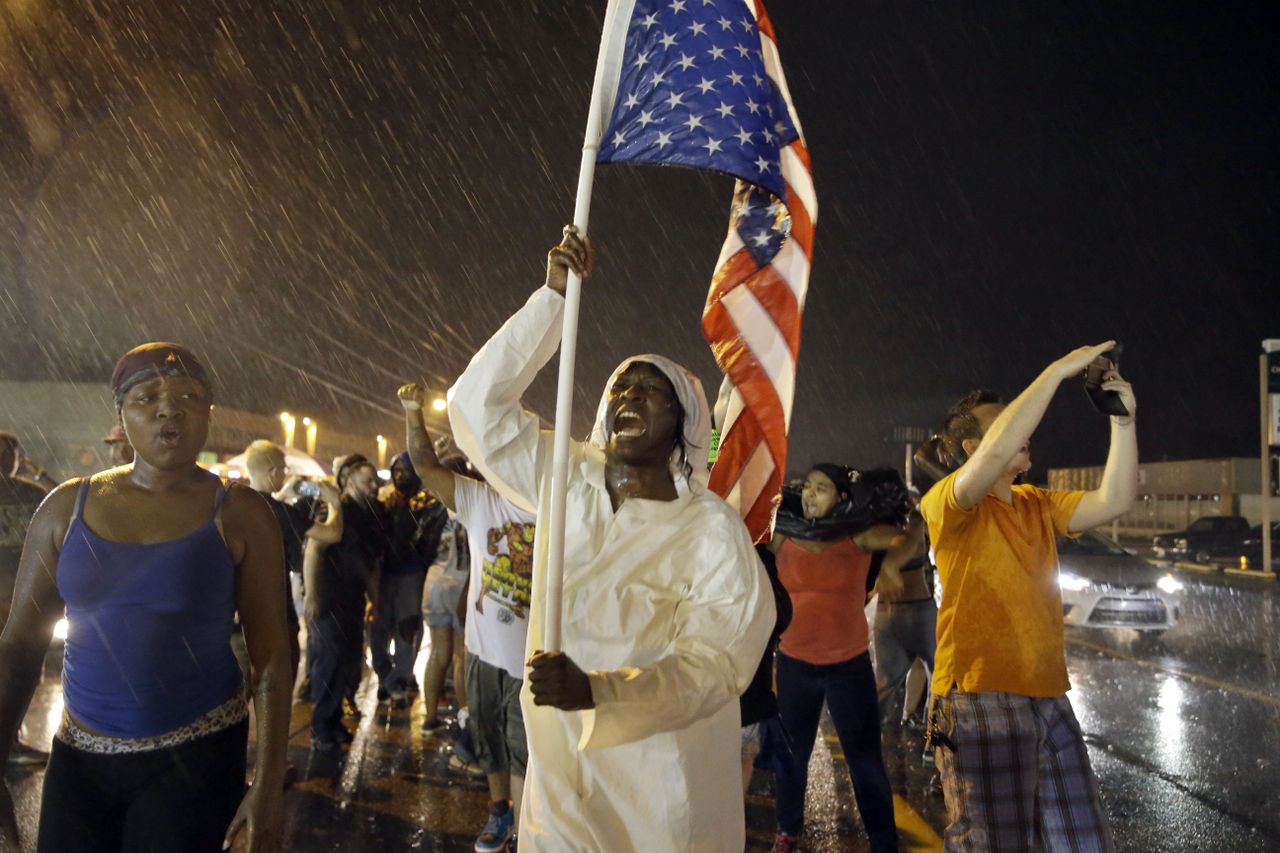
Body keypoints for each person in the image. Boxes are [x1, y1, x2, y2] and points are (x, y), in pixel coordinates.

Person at [447, 227, 775, 852]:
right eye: (622, 386)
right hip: (562, 785)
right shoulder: (564, 480)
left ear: (685, 422)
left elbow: (716, 663)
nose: (630, 395)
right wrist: (551, 301)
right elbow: (475, 411)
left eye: (651, 390)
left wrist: (602, 692)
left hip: (661, 789)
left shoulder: (708, 529)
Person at [0, 342, 290, 853]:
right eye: (147, 396)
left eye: (188, 396)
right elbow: (20, 648)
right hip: (79, 760)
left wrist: (267, 787)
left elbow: (271, 657)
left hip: (195, 758)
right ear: (120, 415)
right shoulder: (66, 507)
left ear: (208, 414)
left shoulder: (242, 512)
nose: (168, 407)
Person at [922, 343, 1136, 852]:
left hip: (1048, 695)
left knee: (1084, 843)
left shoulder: (1036, 503)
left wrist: (1123, 424)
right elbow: (998, 450)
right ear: (973, 448)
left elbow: (1115, 499)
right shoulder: (952, 502)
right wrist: (1057, 373)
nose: (1025, 430)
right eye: (1006, 424)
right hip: (978, 697)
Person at [399, 383, 537, 853]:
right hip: (482, 654)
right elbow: (425, 467)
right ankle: (500, 814)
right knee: (489, 740)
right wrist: (413, 412)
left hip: (531, 660)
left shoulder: (559, 510)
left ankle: (523, 834)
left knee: (524, 751)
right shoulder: (481, 501)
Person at [768, 464, 921, 853]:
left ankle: (883, 843)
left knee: (865, 762)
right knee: (792, 758)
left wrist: (889, 563)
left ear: (841, 498)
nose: (810, 494)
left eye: (822, 488)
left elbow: (913, 531)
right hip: (793, 665)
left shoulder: (858, 533)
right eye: (807, 487)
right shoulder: (780, 532)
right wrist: (719, 432)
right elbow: (730, 506)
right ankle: (787, 831)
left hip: (848, 668)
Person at [242, 439, 343, 681]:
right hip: (275, 615)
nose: (285, 474)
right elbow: (331, 533)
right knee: (275, 693)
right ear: (274, 471)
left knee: (238, 698)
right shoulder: (279, 511)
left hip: (240, 615)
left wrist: (282, 494)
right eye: (284, 469)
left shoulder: (234, 504)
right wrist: (335, 503)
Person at [305, 452, 386, 750]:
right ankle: (320, 728)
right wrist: (311, 594)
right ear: (350, 481)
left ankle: (333, 720)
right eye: (368, 482)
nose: (374, 487)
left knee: (347, 660)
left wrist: (374, 601)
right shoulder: (338, 508)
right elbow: (315, 549)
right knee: (329, 661)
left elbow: (372, 564)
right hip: (329, 597)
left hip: (352, 599)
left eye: (375, 482)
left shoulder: (373, 513)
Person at [370, 452, 447, 707]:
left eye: (406, 470)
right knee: (378, 630)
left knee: (407, 629)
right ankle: (386, 678)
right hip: (383, 575)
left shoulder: (428, 504)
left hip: (410, 574)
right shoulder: (384, 500)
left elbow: (426, 541)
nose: (401, 476)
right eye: (397, 471)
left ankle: (400, 680)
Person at [0, 432, 52, 768]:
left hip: (24, 597)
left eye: (8, 454)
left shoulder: (32, 495)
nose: (4, 460)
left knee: (25, 670)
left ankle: (11, 739)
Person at [871, 511, 937, 726]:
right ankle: (932, 741)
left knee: (884, 685)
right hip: (919, 611)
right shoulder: (913, 524)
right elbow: (914, 538)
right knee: (939, 679)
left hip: (886, 612)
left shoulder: (871, 529)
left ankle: (866, 743)